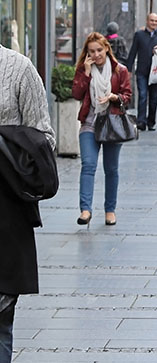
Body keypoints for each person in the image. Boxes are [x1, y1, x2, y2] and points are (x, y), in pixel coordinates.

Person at [0, 44, 56, 363]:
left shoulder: (19, 69)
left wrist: (6, 145)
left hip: (7, 212)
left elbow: (44, 140)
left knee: (1, 320)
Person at [71, 32, 132, 226]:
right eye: (91, 51)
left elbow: (127, 96)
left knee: (111, 169)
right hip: (89, 123)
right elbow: (76, 94)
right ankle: (85, 210)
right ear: (87, 53)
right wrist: (86, 73)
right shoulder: (84, 70)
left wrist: (115, 97)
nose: (96, 54)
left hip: (112, 123)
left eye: (99, 50)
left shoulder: (120, 70)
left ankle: (110, 210)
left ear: (106, 48)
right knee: (88, 165)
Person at [124, 13, 157, 131]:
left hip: (156, 72)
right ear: (147, 21)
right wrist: (128, 68)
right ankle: (141, 121)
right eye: (152, 20)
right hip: (142, 71)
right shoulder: (139, 35)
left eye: (156, 21)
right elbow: (133, 51)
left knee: (153, 98)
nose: (154, 23)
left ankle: (151, 121)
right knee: (142, 96)